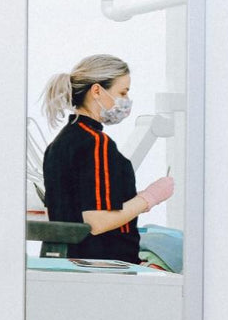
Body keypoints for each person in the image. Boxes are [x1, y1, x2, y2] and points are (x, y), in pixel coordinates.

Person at [39, 54, 175, 264]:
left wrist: (133, 198)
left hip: (67, 263)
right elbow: (97, 221)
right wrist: (150, 197)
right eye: (122, 92)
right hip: (102, 265)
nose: (126, 101)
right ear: (96, 91)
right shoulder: (96, 144)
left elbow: (80, 205)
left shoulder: (59, 144)